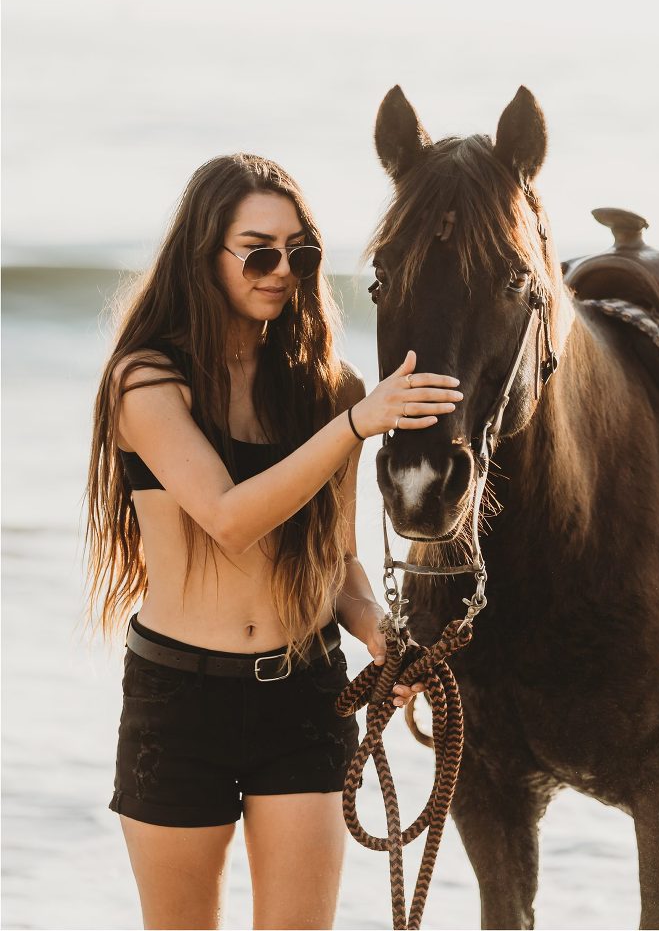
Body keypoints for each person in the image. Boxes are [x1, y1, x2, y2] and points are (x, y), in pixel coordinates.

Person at [85, 153, 463, 931]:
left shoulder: (330, 386)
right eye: (258, 251)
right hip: (180, 704)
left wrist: (380, 635)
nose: (282, 270)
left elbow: (339, 557)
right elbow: (227, 516)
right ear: (205, 254)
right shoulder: (148, 380)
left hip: (302, 694)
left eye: (302, 252)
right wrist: (354, 425)